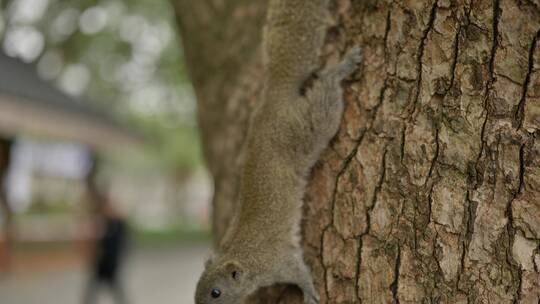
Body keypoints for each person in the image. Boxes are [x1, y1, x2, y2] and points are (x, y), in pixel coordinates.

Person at [83, 200, 129, 304]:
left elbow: (120, 244)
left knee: (115, 290)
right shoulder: (105, 223)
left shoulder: (118, 225)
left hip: (110, 263)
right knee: (93, 290)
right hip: (101, 263)